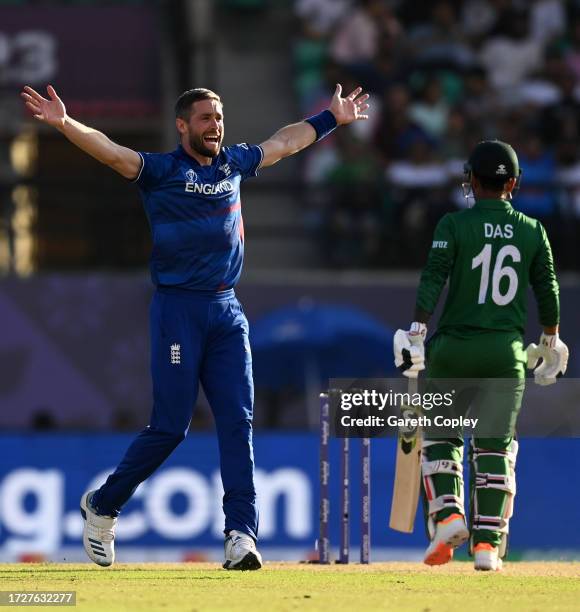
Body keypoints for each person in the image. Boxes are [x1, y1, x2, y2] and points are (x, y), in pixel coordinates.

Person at [21, 82, 369, 570]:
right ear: (182, 125)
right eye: (205, 118)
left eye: (220, 117)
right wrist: (64, 123)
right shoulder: (162, 171)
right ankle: (102, 506)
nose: (216, 126)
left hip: (226, 310)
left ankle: (240, 536)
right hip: (178, 310)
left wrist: (330, 118)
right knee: (170, 427)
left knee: (237, 423)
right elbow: (112, 153)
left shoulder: (234, 163)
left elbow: (284, 143)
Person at [393, 140, 569, 571]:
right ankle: (488, 544)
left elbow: (433, 277)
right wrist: (551, 339)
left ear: (471, 179)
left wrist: (416, 330)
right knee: (495, 447)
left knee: (441, 439)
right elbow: (548, 290)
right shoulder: (532, 230)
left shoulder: (453, 224)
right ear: (512, 183)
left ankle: (449, 515)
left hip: (453, 349)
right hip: (504, 353)